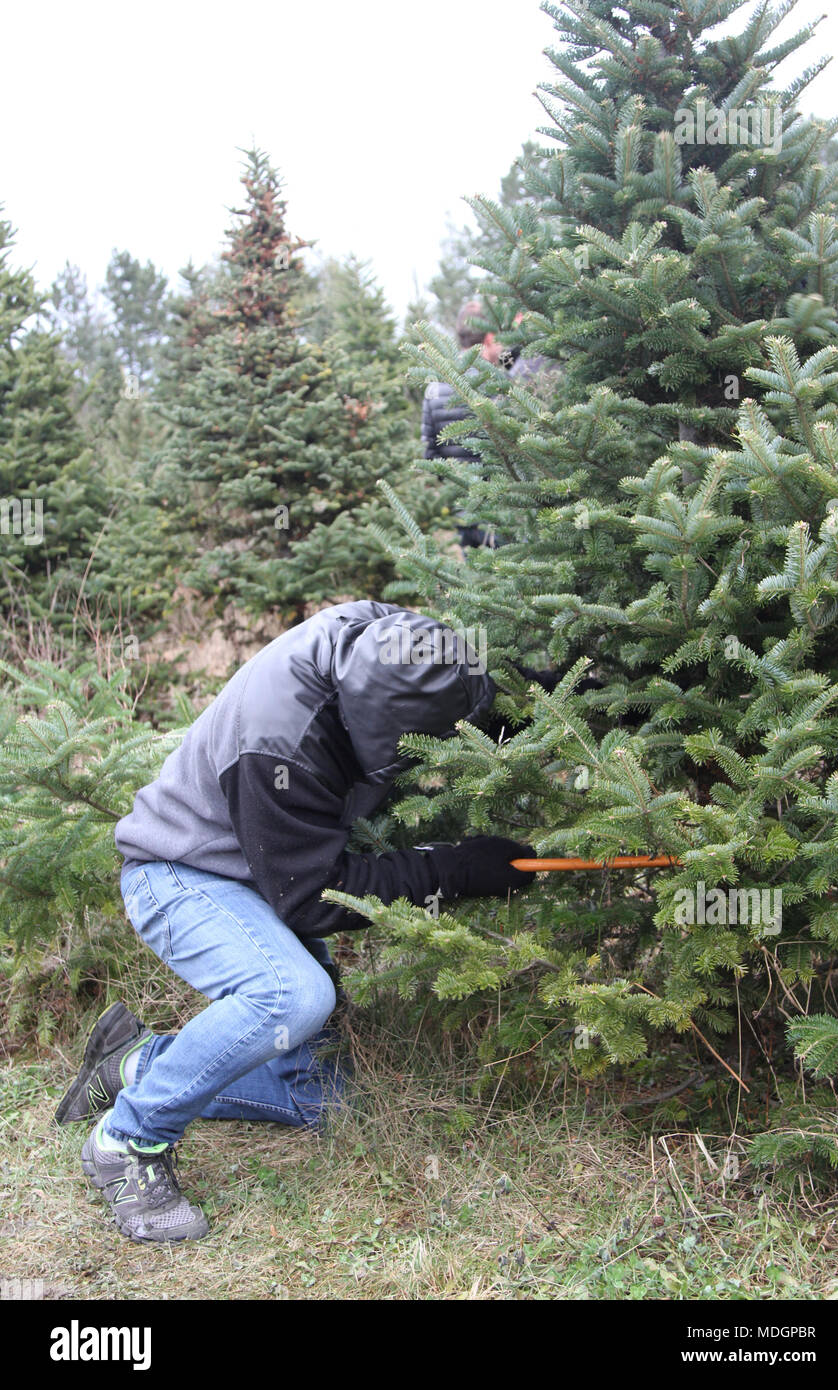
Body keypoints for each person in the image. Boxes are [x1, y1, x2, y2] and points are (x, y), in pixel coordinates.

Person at [55, 601, 538, 1244]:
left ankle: (136, 1064)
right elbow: (313, 898)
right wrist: (451, 870)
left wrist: (583, 698)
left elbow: (471, 701)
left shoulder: (386, 635)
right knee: (292, 996)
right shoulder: (278, 744)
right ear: (372, 730)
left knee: (321, 1105)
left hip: (266, 874)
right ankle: (129, 1140)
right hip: (184, 874)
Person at [421, 300, 508, 552]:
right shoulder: (498, 384)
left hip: (460, 508)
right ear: (490, 337)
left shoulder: (435, 387)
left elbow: (429, 454)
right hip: (501, 512)